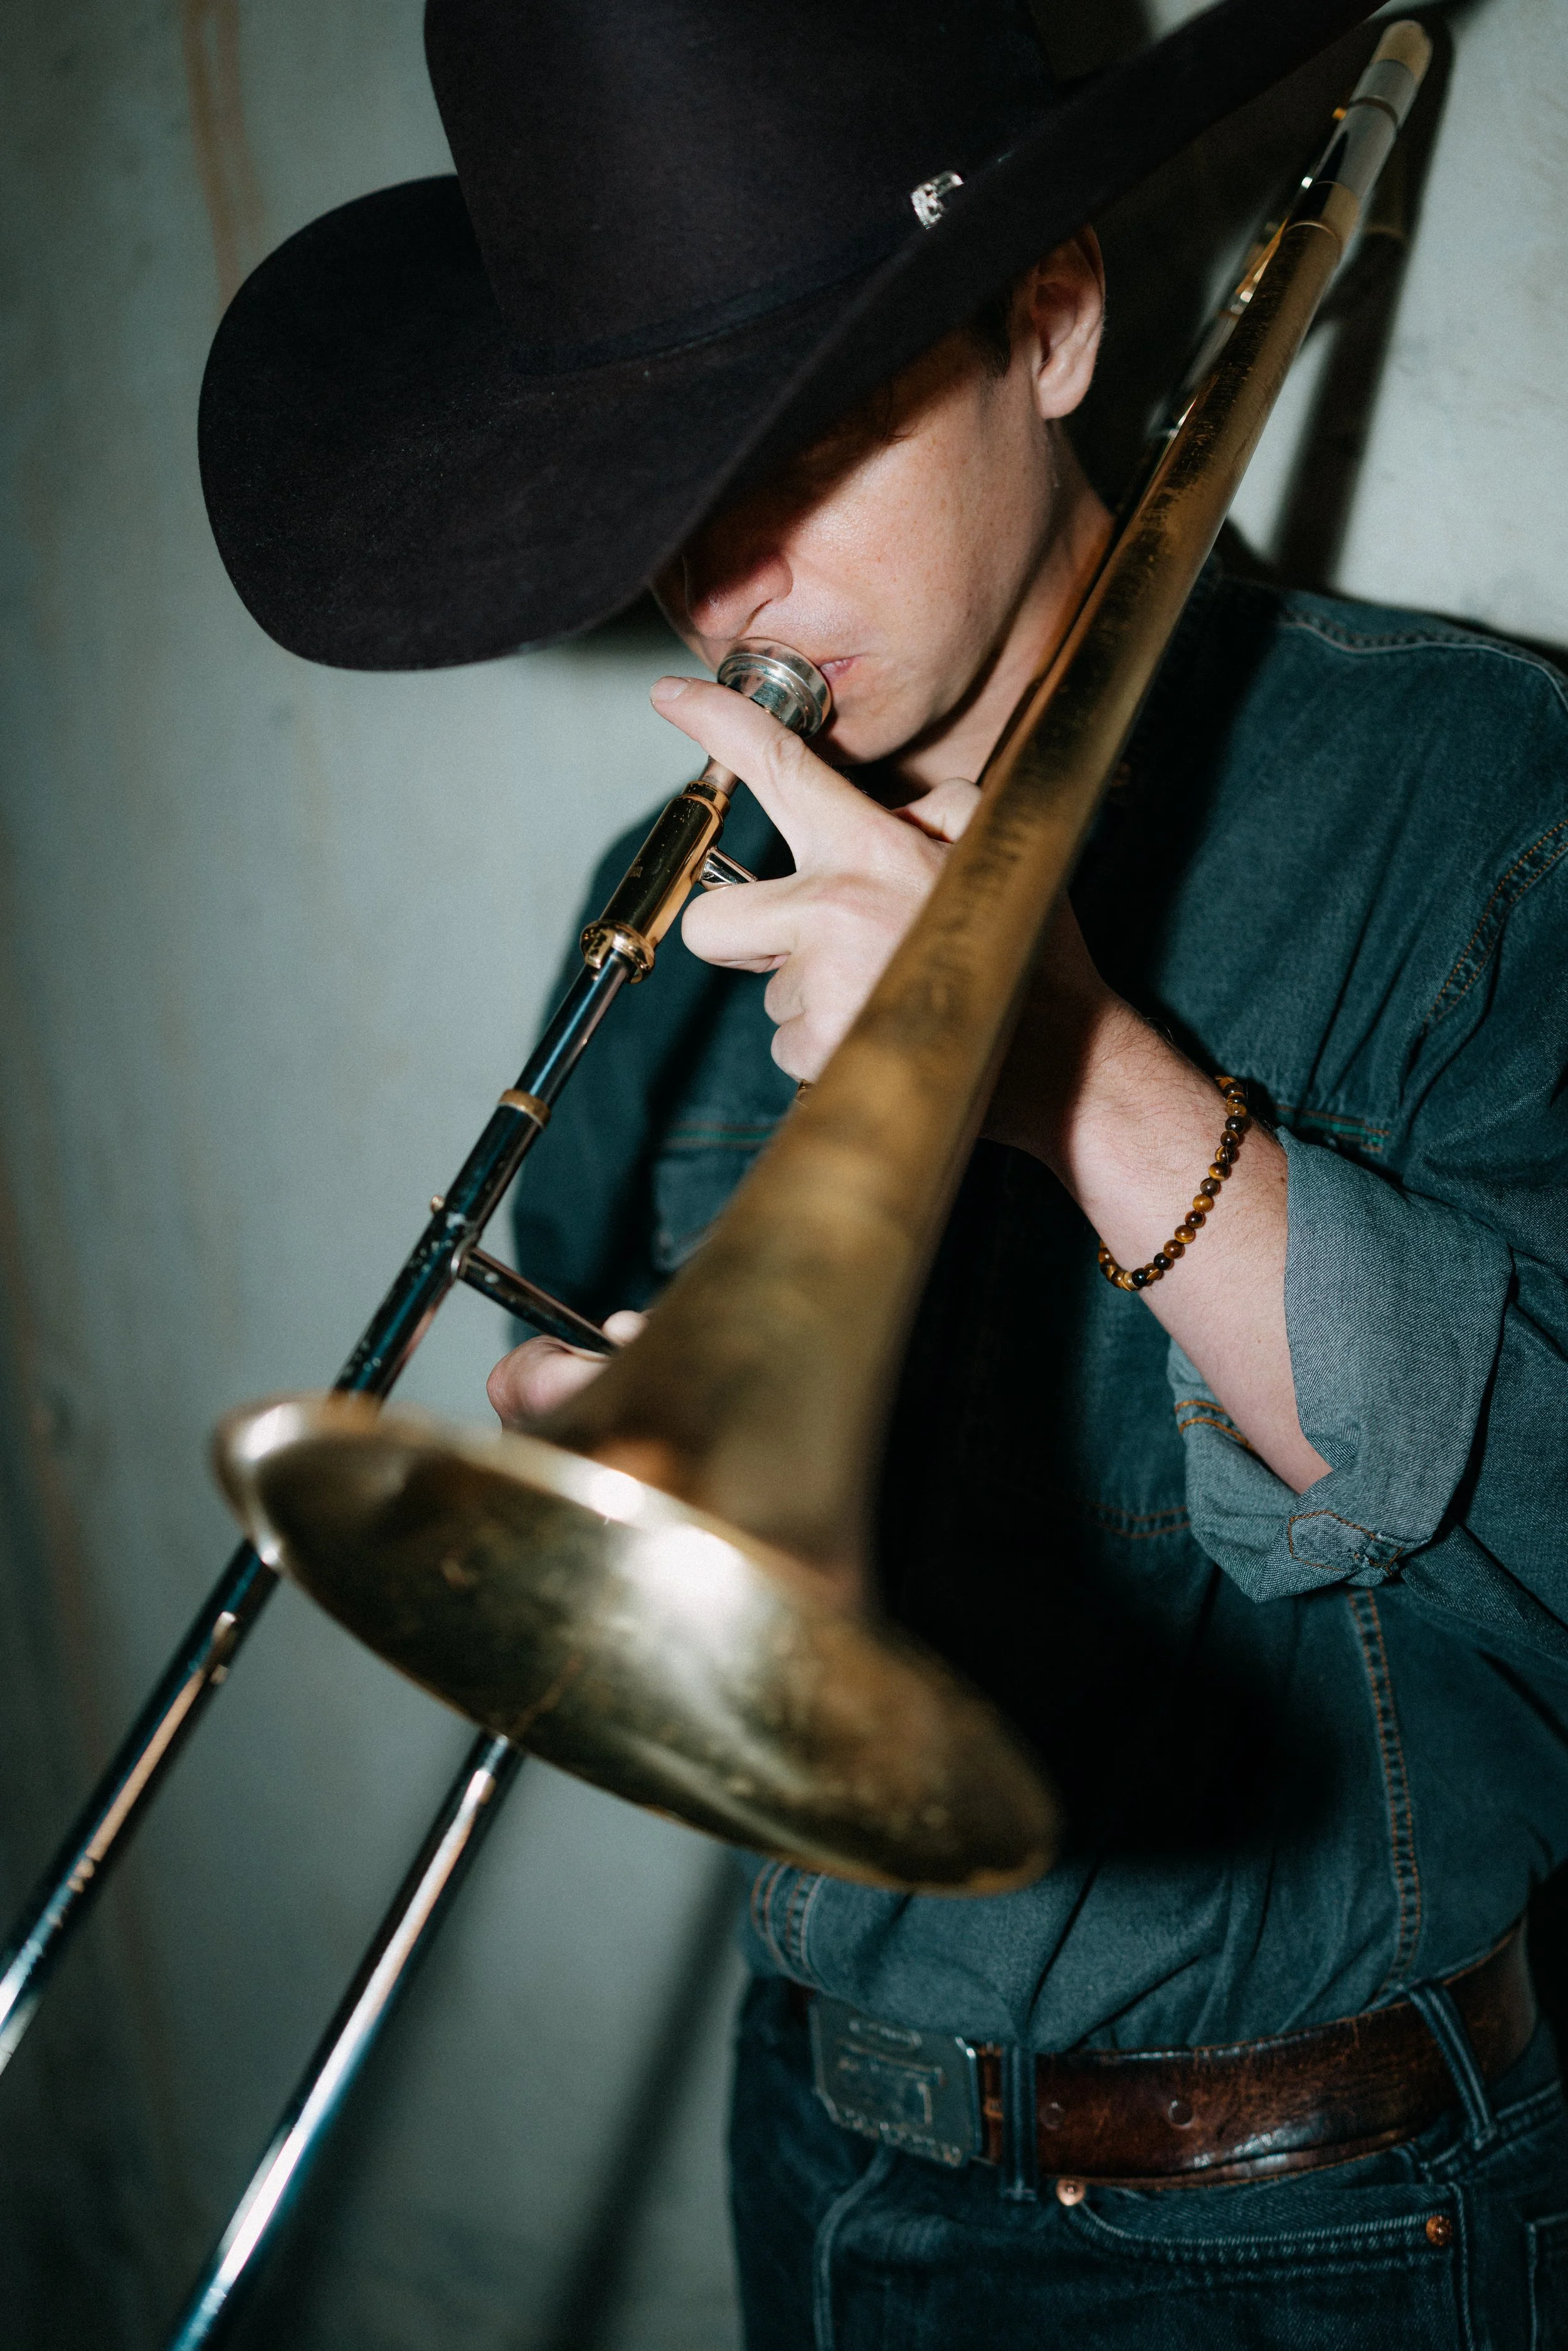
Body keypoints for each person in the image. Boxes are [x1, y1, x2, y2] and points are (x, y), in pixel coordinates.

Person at [198, 1, 1568, 2340]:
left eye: (807, 431)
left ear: (1052, 321)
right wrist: (632, 1488)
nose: (723, 579)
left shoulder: (1467, 793)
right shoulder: (661, 907)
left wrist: (1076, 1074)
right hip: (821, 2162)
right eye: (658, 484)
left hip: (1317, 2232)